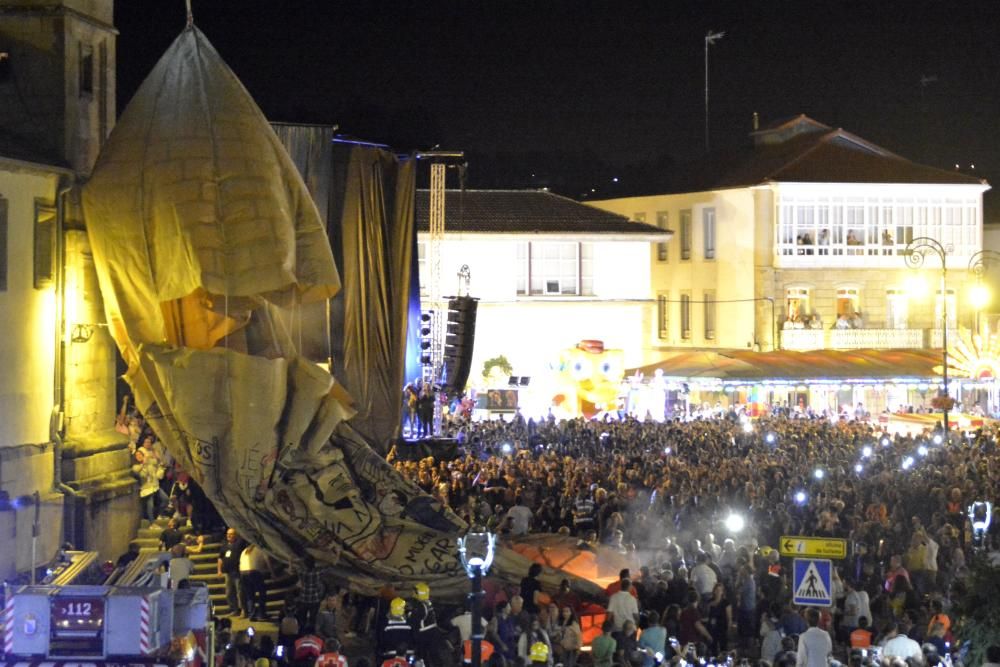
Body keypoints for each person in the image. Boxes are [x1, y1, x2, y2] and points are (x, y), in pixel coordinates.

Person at [408, 582, 440, 663]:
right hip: (433, 631)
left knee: (423, 656)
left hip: (425, 634)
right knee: (434, 656)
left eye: (415, 592)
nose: (412, 593)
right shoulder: (428, 602)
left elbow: (414, 619)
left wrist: (409, 614)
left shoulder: (420, 605)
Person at [217, 527, 246, 616]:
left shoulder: (239, 544)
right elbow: (220, 558)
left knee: (239, 592)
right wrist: (219, 570)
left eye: (231, 534)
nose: (229, 536)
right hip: (228, 572)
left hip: (237, 572)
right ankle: (234, 609)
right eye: (228, 534)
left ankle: (243, 610)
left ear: (235, 535)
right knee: (229, 592)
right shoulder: (224, 545)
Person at [240, 543, 272, 621]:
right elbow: (267, 559)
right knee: (262, 593)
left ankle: (252, 614)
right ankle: (261, 614)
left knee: (250, 595)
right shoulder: (260, 549)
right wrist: (272, 572)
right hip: (254, 572)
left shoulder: (245, 551)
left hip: (243, 573)